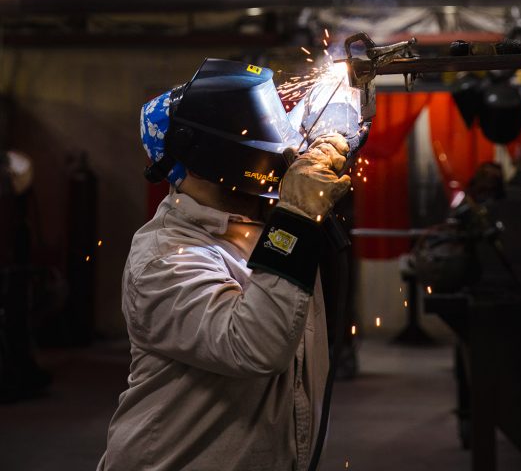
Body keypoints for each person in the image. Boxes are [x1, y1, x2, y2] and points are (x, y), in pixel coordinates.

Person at [97, 59, 354, 471]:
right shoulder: (163, 258)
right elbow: (255, 344)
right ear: (208, 150)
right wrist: (295, 216)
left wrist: (352, 89)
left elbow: (327, 128)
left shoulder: (261, 222)